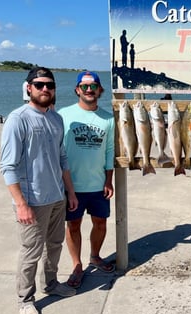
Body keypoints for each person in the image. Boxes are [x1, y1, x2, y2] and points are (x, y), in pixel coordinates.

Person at [0, 67, 79, 314]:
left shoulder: (55, 118)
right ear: (29, 88)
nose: (45, 89)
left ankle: (52, 283)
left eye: (50, 85)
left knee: (54, 245)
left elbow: (62, 158)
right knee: (31, 252)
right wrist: (21, 204)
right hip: (32, 200)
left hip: (57, 196)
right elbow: (7, 166)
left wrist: (69, 191)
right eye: (40, 84)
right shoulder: (18, 119)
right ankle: (25, 300)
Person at [58, 71, 115, 289]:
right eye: (84, 86)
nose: (89, 90)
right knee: (73, 224)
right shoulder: (64, 115)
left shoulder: (108, 118)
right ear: (77, 90)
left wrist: (108, 180)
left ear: (100, 90)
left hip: (98, 182)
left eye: (93, 87)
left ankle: (95, 256)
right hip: (72, 184)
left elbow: (109, 150)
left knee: (100, 222)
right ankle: (77, 264)